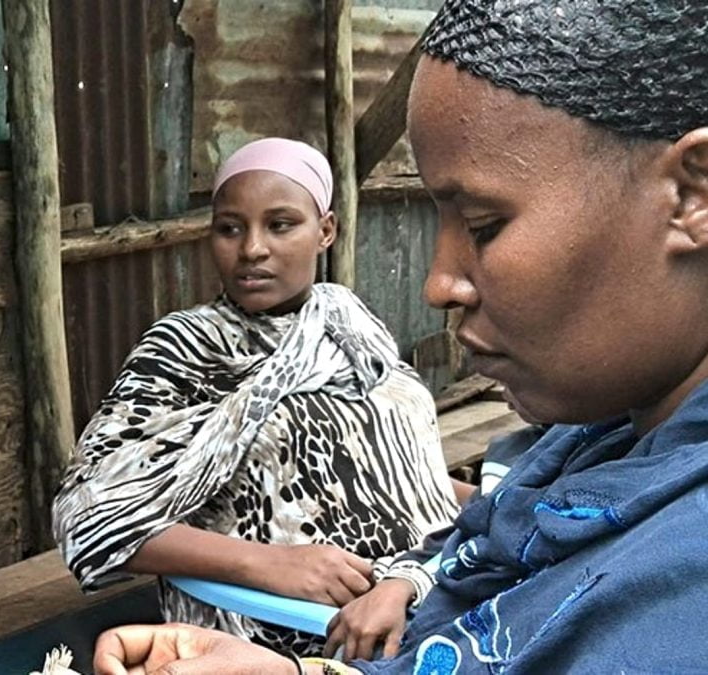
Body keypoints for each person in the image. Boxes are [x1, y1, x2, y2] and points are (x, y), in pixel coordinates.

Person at [90, 0, 708, 672]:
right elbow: (99, 517)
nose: (438, 285)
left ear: (690, 196)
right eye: (230, 227)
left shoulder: (356, 331)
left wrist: (401, 579)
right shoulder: (597, 443)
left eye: (482, 225)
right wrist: (287, 628)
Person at [53, 137, 460, 656]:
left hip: (418, 611)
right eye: (230, 228)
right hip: (266, 636)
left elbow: (385, 464)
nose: (252, 249)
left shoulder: (354, 330)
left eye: (280, 224)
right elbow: (87, 513)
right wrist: (270, 565)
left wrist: (494, 497)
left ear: (326, 230)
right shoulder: (187, 349)